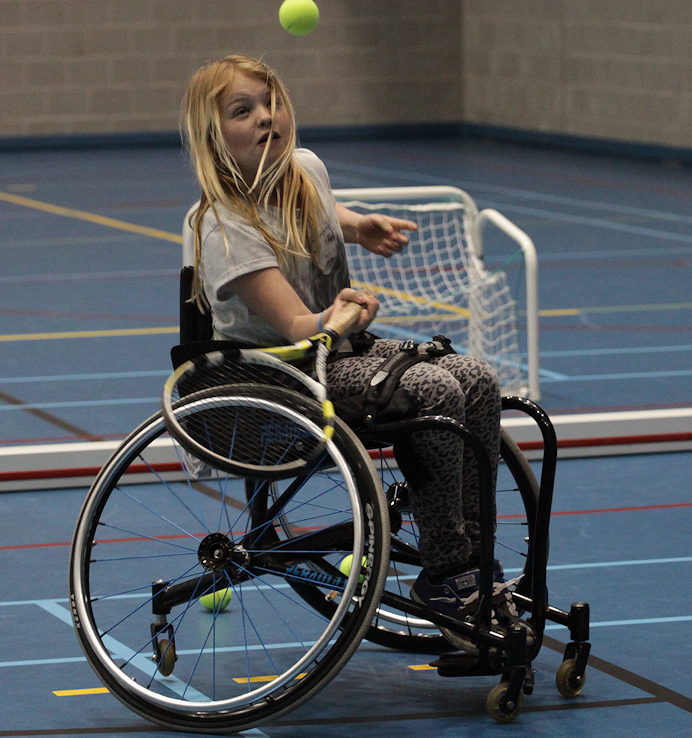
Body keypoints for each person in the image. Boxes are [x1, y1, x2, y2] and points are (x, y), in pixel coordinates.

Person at [181, 55, 522, 649]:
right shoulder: (223, 229)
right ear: (213, 137)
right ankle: (446, 575)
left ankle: (472, 559)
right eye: (244, 111)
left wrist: (357, 225)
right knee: (432, 390)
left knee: (476, 378)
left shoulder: (304, 168)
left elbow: (308, 205)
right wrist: (340, 315)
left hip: (334, 356)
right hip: (276, 376)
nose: (266, 117)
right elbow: (298, 325)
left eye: (272, 102)